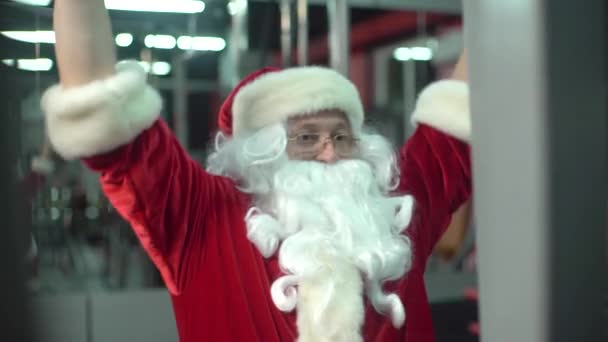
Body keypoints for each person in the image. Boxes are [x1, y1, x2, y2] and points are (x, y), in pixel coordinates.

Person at [42, 1, 472, 341]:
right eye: (306, 139)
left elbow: (462, 109)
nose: (330, 154)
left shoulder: (390, 214)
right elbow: (102, 106)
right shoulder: (201, 220)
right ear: (261, 157)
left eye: (342, 137)